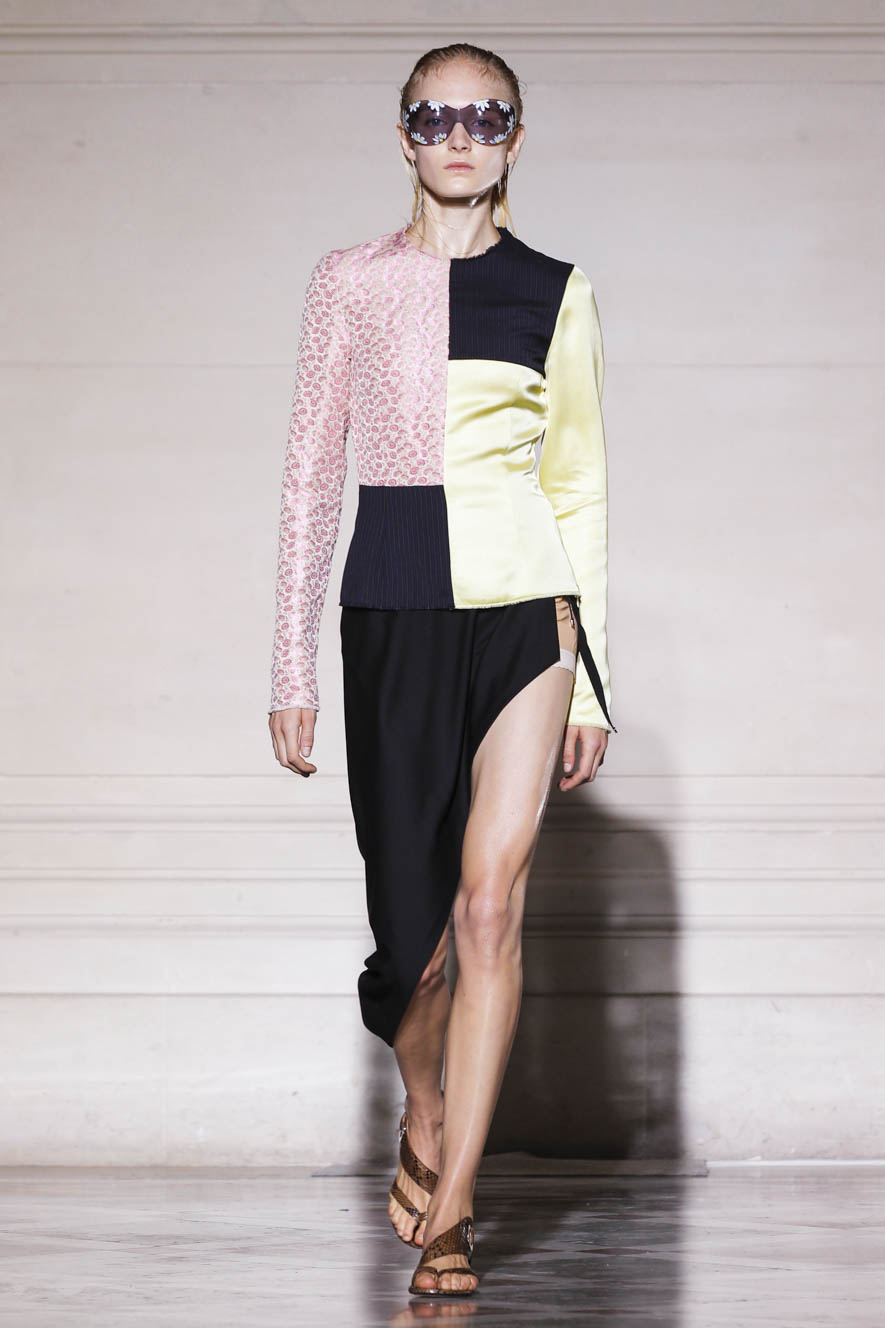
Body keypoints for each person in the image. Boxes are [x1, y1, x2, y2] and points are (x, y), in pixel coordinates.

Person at [268, 41, 617, 1300]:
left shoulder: (555, 289)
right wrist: (290, 662)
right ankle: (424, 1101)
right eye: (435, 116)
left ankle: (457, 1203)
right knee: (412, 952)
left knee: (488, 910)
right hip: (396, 605)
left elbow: (578, 484)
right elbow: (312, 471)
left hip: (526, 615)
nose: (459, 135)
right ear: (404, 132)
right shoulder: (350, 280)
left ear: (516, 135)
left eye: (485, 115)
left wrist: (592, 680)